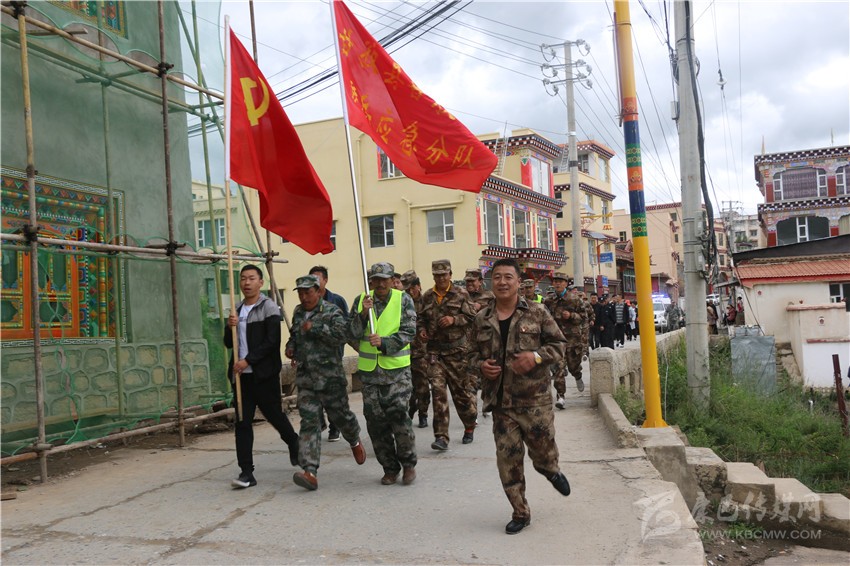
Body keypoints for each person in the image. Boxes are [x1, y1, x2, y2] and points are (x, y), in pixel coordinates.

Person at [470, 258, 571, 535]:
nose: (502, 282)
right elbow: (468, 355)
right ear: (491, 282)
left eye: (508, 277)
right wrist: (481, 365)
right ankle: (520, 511)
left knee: (543, 453)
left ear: (518, 282)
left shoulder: (537, 313)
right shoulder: (481, 319)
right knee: (508, 460)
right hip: (501, 403)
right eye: (497, 277)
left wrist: (536, 357)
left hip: (535, 401)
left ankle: (550, 469)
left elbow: (559, 345)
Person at [285, 275, 366, 491]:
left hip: (330, 378)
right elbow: (294, 335)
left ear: (318, 291)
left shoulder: (331, 311)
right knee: (309, 422)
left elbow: (341, 336)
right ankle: (310, 471)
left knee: (341, 416)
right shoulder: (298, 312)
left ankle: (354, 439)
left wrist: (316, 328)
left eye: (308, 292)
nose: (304, 297)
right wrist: (291, 347)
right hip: (307, 378)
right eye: (300, 293)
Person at [225, 265, 299, 489]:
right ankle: (247, 472)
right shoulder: (236, 309)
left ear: (260, 282)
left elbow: (272, 342)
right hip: (241, 378)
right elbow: (228, 343)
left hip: (264, 374)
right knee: (242, 423)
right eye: (243, 279)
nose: (246, 283)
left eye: (251, 278)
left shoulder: (269, 307)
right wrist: (229, 327)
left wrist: (248, 360)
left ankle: (294, 442)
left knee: (274, 416)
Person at [349, 262, 418, 486]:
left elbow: (409, 331)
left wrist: (385, 343)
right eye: (376, 279)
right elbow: (350, 332)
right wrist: (363, 314)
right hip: (370, 375)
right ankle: (389, 467)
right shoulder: (361, 300)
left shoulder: (403, 299)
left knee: (400, 418)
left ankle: (408, 464)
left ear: (391, 280)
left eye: (384, 279)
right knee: (376, 423)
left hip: (397, 372)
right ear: (370, 281)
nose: (380, 284)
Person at [418, 259, 478, 450]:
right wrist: (422, 330)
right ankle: (441, 437)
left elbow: (472, 317)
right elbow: (420, 319)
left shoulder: (461, 294)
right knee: (438, 393)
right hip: (435, 353)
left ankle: (469, 424)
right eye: (437, 275)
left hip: (456, 353)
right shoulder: (427, 296)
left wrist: (454, 319)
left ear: (450, 275)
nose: (441, 278)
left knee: (461, 394)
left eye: (444, 275)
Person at [309, 265, 348, 443]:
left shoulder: (337, 301)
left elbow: (344, 328)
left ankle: (335, 426)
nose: (315, 283)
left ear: (325, 280)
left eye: (318, 279)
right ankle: (319, 424)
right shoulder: (307, 302)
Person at [544, 273, 586, 407]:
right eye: (555, 281)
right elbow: (543, 318)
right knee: (558, 369)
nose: (557, 284)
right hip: (556, 340)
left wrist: (572, 315)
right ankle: (560, 396)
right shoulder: (548, 300)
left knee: (573, 366)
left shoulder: (574, 299)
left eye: (560, 281)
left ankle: (578, 376)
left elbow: (583, 317)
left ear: (566, 284)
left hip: (572, 340)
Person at [401, 270, 430, 429]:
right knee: (408, 388)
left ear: (418, 286)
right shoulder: (402, 303)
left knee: (423, 387)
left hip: (422, 353)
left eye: (412, 288)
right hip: (404, 353)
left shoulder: (427, 302)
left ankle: (423, 414)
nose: (410, 292)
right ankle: (411, 410)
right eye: (407, 289)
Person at [464, 268, 495, 410]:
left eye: (472, 281)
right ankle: (472, 414)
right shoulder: (461, 295)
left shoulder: (490, 296)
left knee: (487, 380)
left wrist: (481, 306)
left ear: (480, 281)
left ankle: (487, 403)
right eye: (467, 281)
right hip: (466, 343)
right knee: (470, 382)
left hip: (485, 343)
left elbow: (497, 312)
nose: (469, 284)